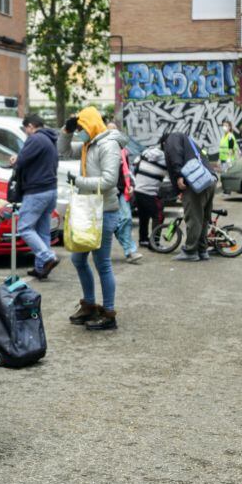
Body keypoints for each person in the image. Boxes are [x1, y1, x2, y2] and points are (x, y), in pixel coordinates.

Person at [65, 107, 122, 331]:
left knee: (102, 263)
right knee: (78, 260)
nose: (80, 132)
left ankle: (108, 313)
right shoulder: (88, 143)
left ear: (92, 125)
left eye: (81, 127)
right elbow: (64, 150)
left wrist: (78, 181)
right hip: (88, 210)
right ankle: (89, 305)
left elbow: (109, 180)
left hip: (105, 211)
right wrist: (66, 131)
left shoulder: (108, 145)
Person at [15, 114, 61, 279]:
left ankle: (47, 257)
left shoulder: (35, 139)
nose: (26, 132)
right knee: (43, 231)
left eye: (26, 129)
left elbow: (21, 161)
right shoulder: (50, 140)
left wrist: (15, 159)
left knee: (24, 228)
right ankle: (41, 267)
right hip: (50, 190)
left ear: (30, 126)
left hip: (37, 191)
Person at [163, 130, 215, 262]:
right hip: (209, 179)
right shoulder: (189, 142)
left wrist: (179, 174)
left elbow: (175, 154)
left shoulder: (172, 138)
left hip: (194, 183)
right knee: (203, 218)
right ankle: (202, 250)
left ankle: (190, 251)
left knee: (193, 218)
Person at [109, 123, 143, 264]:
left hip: (121, 191)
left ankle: (130, 251)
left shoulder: (123, 151)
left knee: (126, 219)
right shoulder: (102, 149)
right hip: (107, 192)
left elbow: (127, 171)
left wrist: (131, 185)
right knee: (109, 225)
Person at [133, 142, 168, 246]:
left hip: (138, 189)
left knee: (144, 216)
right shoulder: (166, 158)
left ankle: (143, 239)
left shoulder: (146, 152)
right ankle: (155, 243)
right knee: (159, 216)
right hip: (149, 192)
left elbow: (135, 165)